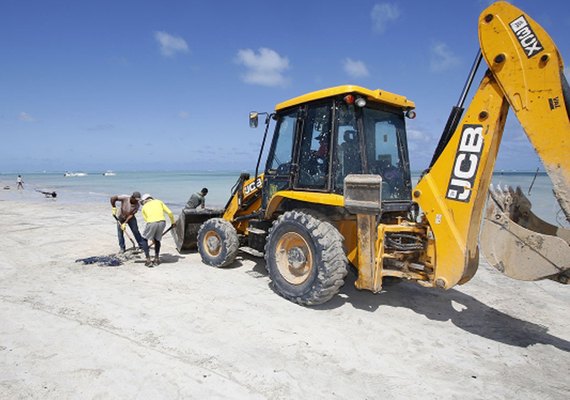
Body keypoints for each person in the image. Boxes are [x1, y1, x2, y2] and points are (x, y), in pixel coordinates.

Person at [140, 194, 176, 267]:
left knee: (144, 239)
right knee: (157, 240)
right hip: (162, 222)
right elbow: (170, 213)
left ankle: (148, 260)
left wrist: (151, 232)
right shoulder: (159, 202)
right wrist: (173, 222)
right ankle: (156, 259)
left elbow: (146, 219)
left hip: (151, 222)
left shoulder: (144, 207)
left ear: (144, 200)